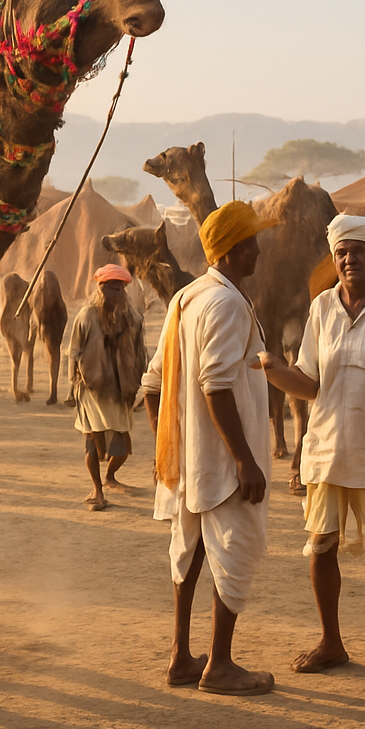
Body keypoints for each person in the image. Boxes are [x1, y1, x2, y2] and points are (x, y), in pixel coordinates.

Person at [259, 214, 365, 682]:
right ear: (333, 259)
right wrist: (274, 369)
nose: (349, 259)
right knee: (321, 545)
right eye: (341, 253)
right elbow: (312, 383)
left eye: (358, 251)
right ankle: (331, 641)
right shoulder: (321, 309)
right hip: (328, 447)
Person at [143, 201, 278, 695]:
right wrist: (244, 458)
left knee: (190, 551)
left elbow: (153, 382)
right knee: (234, 551)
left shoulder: (187, 298)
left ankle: (182, 656)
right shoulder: (224, 304)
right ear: (238, 249)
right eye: (254, 242)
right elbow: (215, 384)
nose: (260, 250)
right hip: (222, 463)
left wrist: (169, 448)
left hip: (189, 463)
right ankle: (219, 664)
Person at [68, 263, 148, 510]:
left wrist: (140, 385)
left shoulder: (133, 319)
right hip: (91, 390)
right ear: (100, 289)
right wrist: (73, 386)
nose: (114, 294)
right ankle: (97, 491)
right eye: (110, 289)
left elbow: (140, 353)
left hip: (121, 391)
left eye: (118, 289)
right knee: (93, 443)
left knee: (121, 448)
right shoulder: (85, 317)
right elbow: (73, 352)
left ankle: (110, 477)